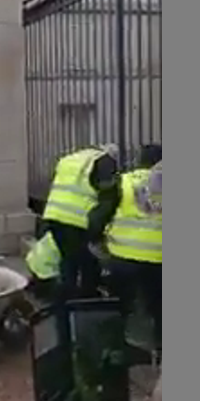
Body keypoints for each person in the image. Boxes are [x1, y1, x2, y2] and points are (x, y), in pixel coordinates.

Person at [39, 144, 122, 300]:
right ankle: (87, 300)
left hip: (54, 215)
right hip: (78, 220)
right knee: (88, 262)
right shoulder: (104, 161)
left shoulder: (70, 159)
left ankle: (65, 302)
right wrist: (96, 233)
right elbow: (107, 200)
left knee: (68, 261)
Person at [103, 146, 163, 357]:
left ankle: (115, 349)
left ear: (139, 160)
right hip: (157, 258)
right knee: (158, 306)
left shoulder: (123, 181)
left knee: (119, 304)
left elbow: (103, 213)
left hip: (122, 255)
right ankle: (159, 351)